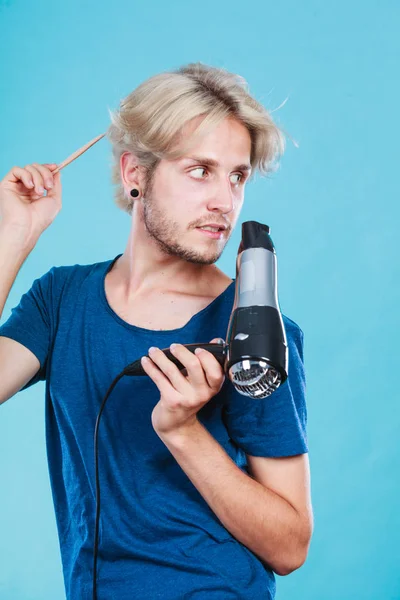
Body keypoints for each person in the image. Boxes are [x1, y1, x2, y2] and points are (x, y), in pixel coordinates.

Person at [0, 62, 313, 599]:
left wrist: (185, 433)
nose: (225, 201)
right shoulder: (62, 299)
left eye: (237, 176)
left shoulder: (255, 330)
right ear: (134, 174)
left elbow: (290, 547)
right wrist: (14, 233)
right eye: (200, 170)